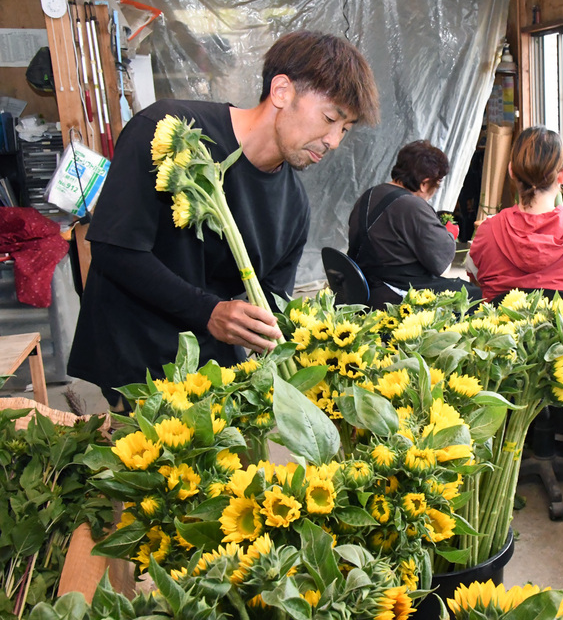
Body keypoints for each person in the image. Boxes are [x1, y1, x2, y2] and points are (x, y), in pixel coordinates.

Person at [67, 30, 380, 409]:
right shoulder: (170, 132)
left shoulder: (293, 208)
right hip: (136, 368)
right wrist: (209, 312)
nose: (333, 141)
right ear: (282, 91)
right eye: (330, 118)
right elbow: (113, 249)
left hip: (213, 380)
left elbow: (270, 305)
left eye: (345, 130)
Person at [465, 126, 563, 323]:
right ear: (562, 175)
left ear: (511, 170)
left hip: (505, 347)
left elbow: (475, 276)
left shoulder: (488, 230)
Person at [347, 140, 482, 307]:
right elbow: (441, 265)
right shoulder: (412, 205)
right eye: (437, 185)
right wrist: (450, 234)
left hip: (363, 285)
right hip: (393, 293)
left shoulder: (370, 194)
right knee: (474, 295)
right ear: (424, 183)